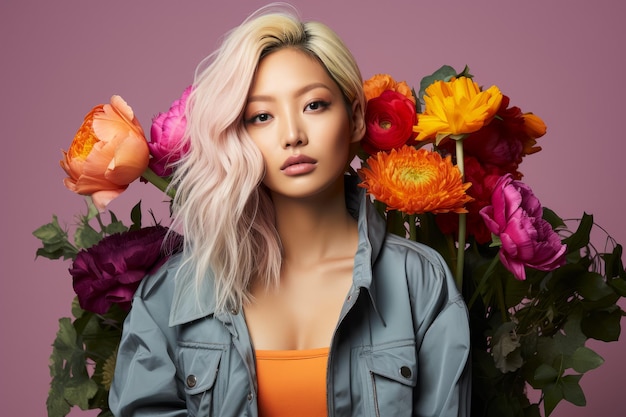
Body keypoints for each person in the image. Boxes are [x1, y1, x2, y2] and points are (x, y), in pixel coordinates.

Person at [109, 4, 471, 417]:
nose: (292, 135)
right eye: (261, 116)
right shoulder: (172, 296)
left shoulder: (419, 284)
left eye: (314, 105)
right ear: (235, 135)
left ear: (354, 118)